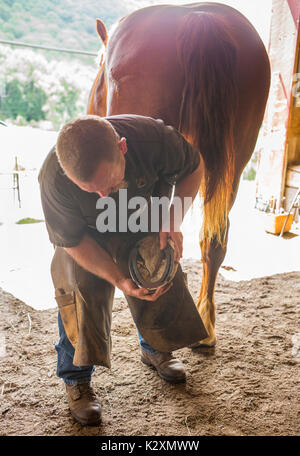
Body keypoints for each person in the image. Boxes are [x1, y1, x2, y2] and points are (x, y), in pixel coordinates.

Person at [38, 114, 205, 426]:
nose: (104, 195)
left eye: (110, 183)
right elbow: (72, 241)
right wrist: (117, 278)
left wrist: (173, 217)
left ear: (123, 148)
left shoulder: (154, 140)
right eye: (91, 190)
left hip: (142, 217)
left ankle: (156, 348)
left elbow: (193, 167)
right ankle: (76, 377)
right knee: (77, 286)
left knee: (157, 270)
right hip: (88, 236)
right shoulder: (53, 178)